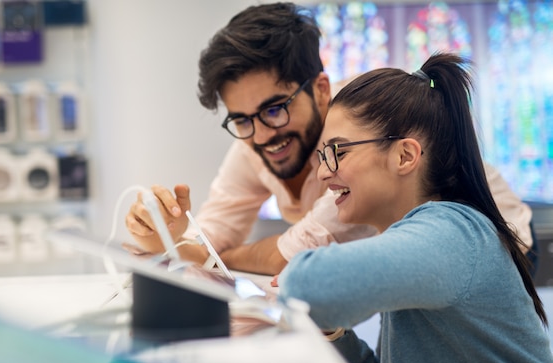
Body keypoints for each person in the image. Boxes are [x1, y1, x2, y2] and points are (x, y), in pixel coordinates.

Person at [125, 2, 536, 278]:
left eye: (274, 109)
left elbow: (294, 255)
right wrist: (164, 235)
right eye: (243, 119)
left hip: (498, 256)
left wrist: (211, 257)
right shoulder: (252, 139)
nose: (263, 135)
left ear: (320, 89)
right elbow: (211, 233)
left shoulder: (364, 130)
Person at [277, 52, 553, 363]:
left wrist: (301, 282)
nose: (323, 174)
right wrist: (331, 332)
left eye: (337, 151)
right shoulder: (417, 241)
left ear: (405, 156)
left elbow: (306, 286)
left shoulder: (453, 231)